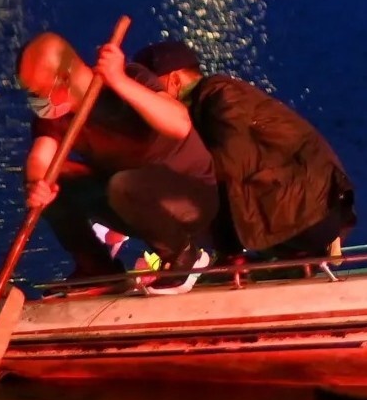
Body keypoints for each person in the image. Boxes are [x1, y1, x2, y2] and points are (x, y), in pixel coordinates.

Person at [14, 32, 217, 287]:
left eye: (39, 92)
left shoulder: (131, 77)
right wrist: (38, 184)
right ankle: (97, 270)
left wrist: (118, 80)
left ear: (63, 79)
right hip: (129, 203)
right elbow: (41, 158)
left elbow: (178, 124)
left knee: (124, 185)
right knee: (57, 183)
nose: (36, 102)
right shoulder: (54, 116)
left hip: (189, 197)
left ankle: (183, 256)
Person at [128, 39, 357, 262]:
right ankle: (229, 256)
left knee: (155, 189)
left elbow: (231, 162)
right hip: (299, 211)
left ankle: (195, 258)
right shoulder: (204, 104)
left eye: (150, 87)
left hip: (307, 213)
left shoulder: (221, 93)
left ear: (174, 80)